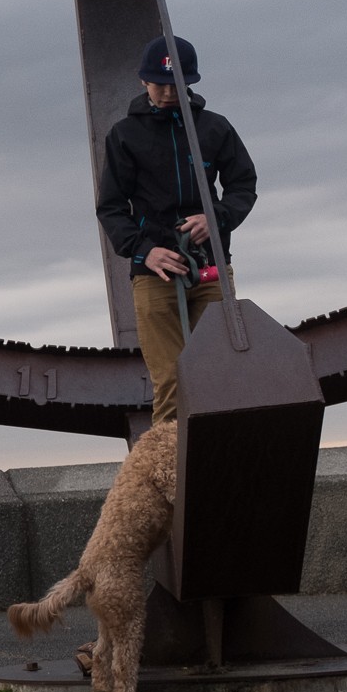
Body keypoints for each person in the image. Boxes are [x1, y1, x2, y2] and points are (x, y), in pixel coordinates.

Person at [95, 35, 257, 424]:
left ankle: (223, 469)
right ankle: (171, 476)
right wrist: (145, 251)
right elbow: (111, 208)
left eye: (177, 84)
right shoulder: (123, 135)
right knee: (169, 381)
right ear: (143, 81)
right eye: (160, 83)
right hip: (154, 272)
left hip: (211, 267)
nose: (169, 92)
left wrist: (215, 217)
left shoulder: (216, 128)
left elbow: (242, 185)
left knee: (222, 372)